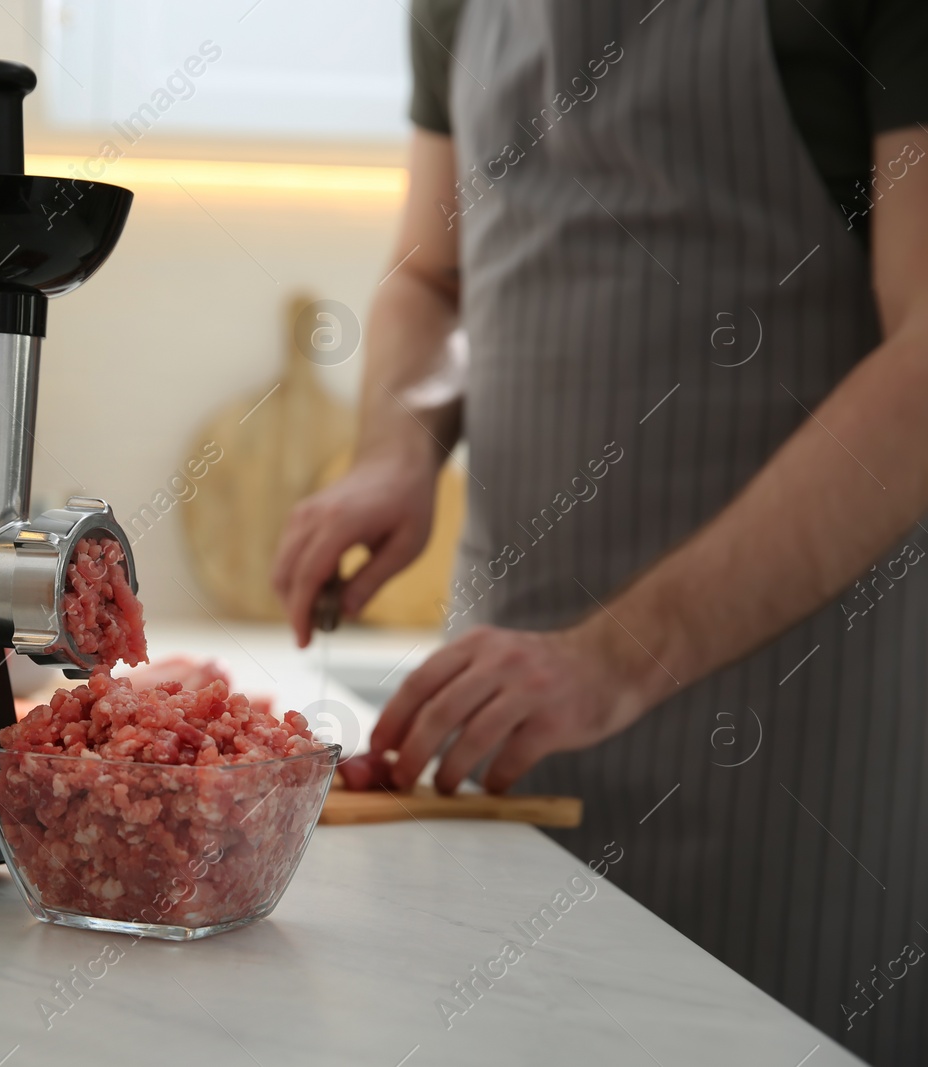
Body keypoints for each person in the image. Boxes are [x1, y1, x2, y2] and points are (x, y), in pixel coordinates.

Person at [271, 1, 928, 1061]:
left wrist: (619, 654)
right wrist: (396, 445)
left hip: (798, 763)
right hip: (504, 736)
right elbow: (431, 278)